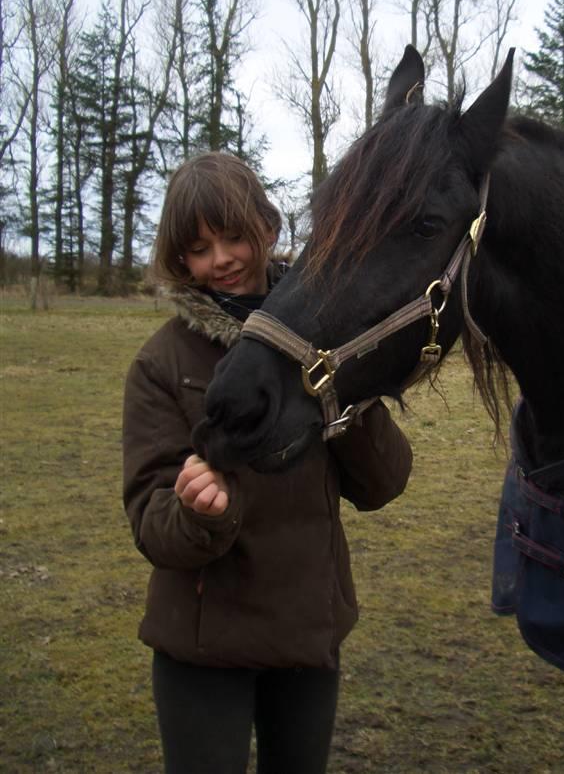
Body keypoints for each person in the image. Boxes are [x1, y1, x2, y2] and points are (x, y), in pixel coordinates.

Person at [122, 152, 413, 774]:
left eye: (233, 236)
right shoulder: (160, 363)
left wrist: (345, 402)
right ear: (181, 261)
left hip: (308, 634)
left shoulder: (327, 340)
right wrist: (199, 514)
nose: (221, 259)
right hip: (203, 647)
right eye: (199, 249)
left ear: (269, 228)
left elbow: (383, 483)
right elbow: (151, 519)